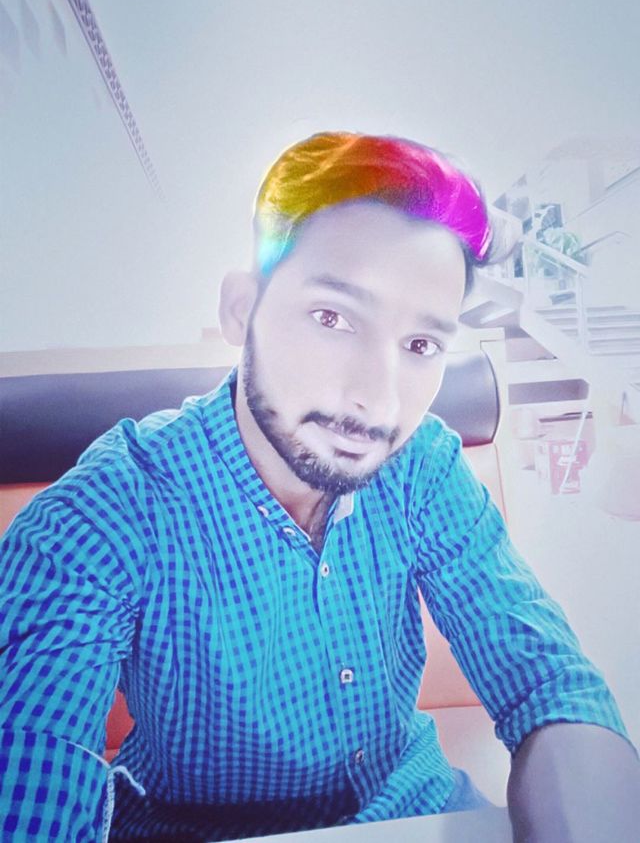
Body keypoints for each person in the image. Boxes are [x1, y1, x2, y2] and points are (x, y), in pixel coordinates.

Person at [1, 132, 638, 843]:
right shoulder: (104, 514)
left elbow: (549, 682)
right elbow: (34, 769)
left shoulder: (422, 464)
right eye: (333, 318)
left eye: (420, 345)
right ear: (242, 308)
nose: (377, 397)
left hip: (419, 813)